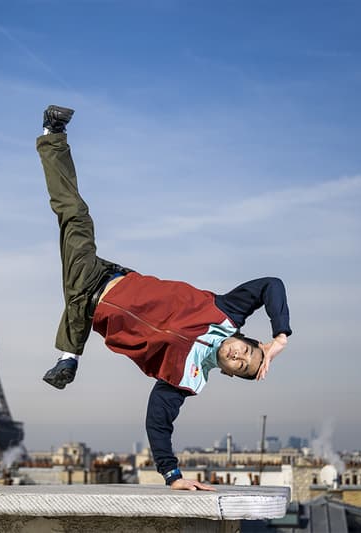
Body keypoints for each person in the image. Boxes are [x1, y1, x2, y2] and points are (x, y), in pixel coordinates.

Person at [36, 105, 292, 491]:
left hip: (91, 297)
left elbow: (158, 421)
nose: (238, 358)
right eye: (246, 352)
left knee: (75, 215)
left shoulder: (185, 377)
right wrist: (281, 336)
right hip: (112, 273)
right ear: (243, 337)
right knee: (74, 224)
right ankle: (69, 354)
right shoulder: (225, 311)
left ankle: (52, 135)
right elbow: (271, 283)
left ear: (230, 373)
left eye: (240, 367)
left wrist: (172, 475)